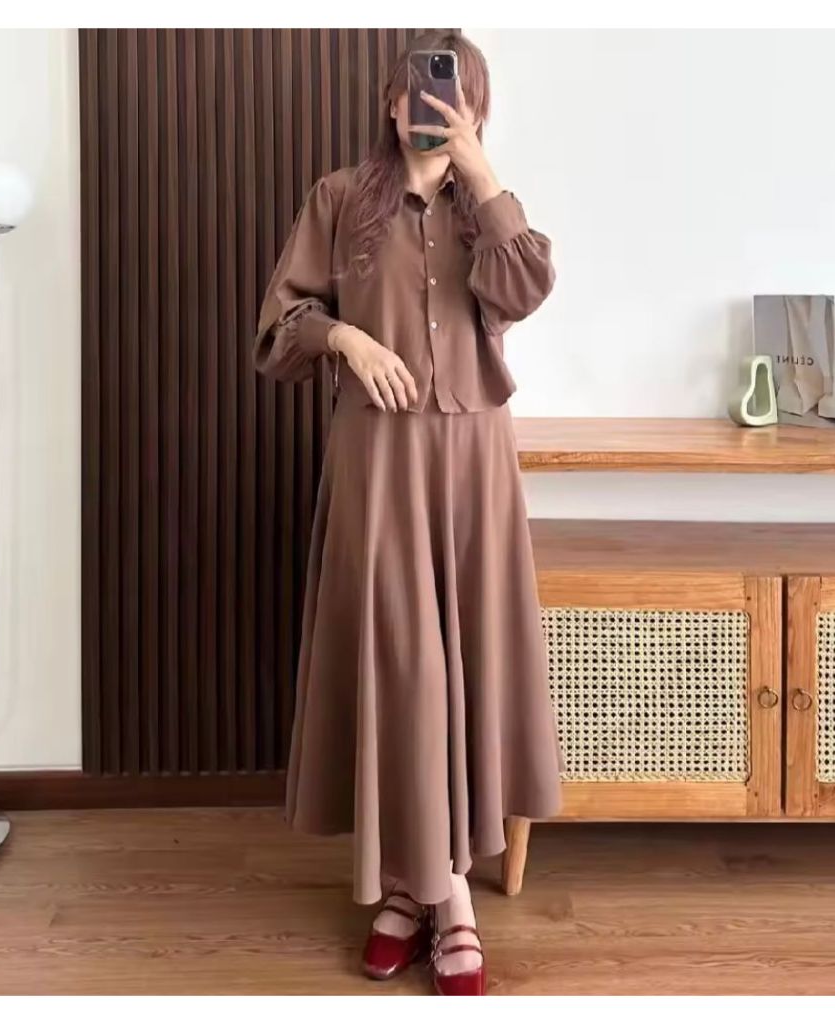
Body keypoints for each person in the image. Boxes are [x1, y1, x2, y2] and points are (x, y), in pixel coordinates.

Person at [252, 29, 563, 996]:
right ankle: (432, 892)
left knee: (465, 666)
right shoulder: (340, 199)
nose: (427, 108)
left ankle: (425, 893)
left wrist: (479, 170)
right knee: (401, 668)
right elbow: (278, 327)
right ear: (390, 103)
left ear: (474, 109)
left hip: (472, 465)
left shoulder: (488, 214)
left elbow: (527, 287)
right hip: (379, 462)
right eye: (415, 93)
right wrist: (346, 338)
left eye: (452, 95)